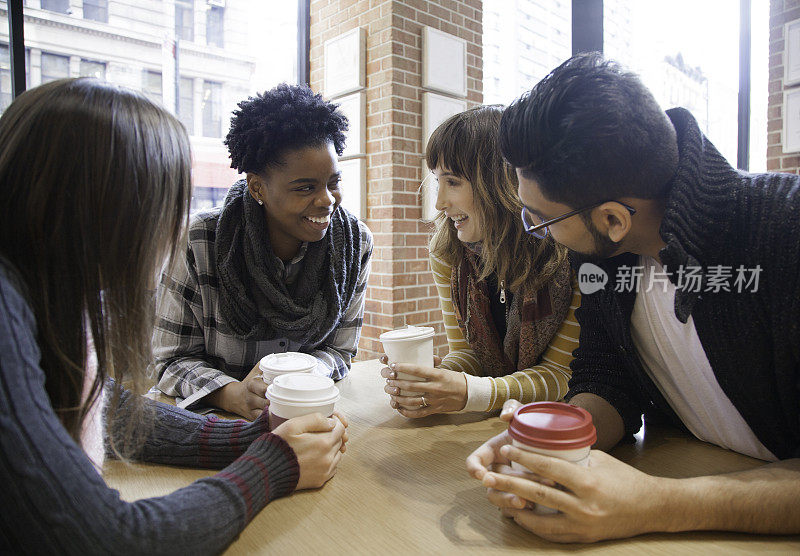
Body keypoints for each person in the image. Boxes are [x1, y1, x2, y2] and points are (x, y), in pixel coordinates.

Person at [0, 78, 348, 553]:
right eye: (162, 205)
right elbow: (108, 540)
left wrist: (250, 437)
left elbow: (108, 409)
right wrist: (273, 463)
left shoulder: (42, 293)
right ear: (99, 208)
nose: (169, 233)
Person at [466, 53, 800, 542]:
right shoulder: (604, 255)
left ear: (614, 220)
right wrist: (551, 445)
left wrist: (660, 504)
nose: (538, 234)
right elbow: (608, 380)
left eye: (540, 219)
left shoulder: (784, 232)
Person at [153, 83, 373, 419]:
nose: (328, 200)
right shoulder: (200, 241)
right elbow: (169, 360)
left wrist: (305, 376)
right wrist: (231, 393)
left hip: (306, 419)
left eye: (333, 182)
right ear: (258, 187)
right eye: (306, 187)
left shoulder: (354, 244)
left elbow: (339, 352)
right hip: (215, 425)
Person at [381, 106, 581, 417]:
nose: (439, 202)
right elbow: (468, 355)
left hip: (558, 426)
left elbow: (561, 375)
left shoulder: (566, 252)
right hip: (492, 426)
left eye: (454, 182)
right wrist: (435, 382)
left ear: (498, 182)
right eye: (437, 182)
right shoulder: (449, 254)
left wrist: (467, 391)